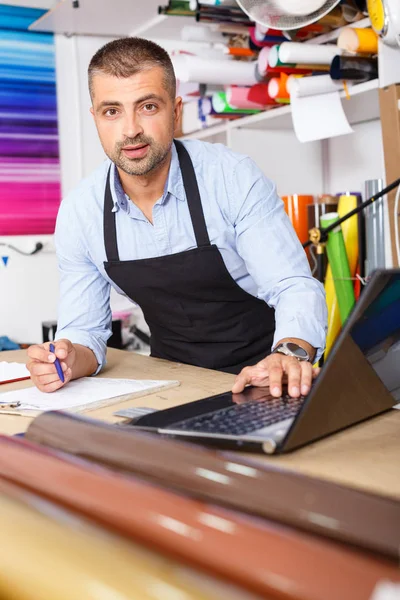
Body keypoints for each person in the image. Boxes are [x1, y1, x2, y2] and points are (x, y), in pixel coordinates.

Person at [27, 37, 327, 397]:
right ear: (95, 118)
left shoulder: (231, 177)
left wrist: (288, 355)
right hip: (172, 382)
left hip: (265, 375)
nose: (130, 129)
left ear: (176, 111)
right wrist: (64, 360)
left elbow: (293, 285)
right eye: (112, 111)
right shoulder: (81, 212)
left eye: (148, 106)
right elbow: (85, 333)